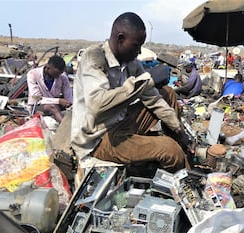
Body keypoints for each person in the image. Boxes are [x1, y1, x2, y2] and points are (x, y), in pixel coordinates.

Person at [71, 12, 194, 172]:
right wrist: (148, 80)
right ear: (120, 38)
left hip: (122, 122)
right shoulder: (94, 58)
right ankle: (177, 176)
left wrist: (179, 131)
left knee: (167, 93)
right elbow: (97, 104)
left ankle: (180, 146)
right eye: (136, 45)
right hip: (99, 137)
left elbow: (153, 99)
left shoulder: (132, 64)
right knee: (170, 150)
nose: (139, 52)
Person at [27, 55, 72, 123]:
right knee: (52, 107)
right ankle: (65, 128)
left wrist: (70, 104)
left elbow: (68, 95)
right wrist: (58, 101)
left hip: (55, 104)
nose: (58, 76)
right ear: (48, 68)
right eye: (56, 74)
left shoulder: (62, 76)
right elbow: (37, 99)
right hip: (37, 106)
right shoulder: (33, 74)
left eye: (60, 74)